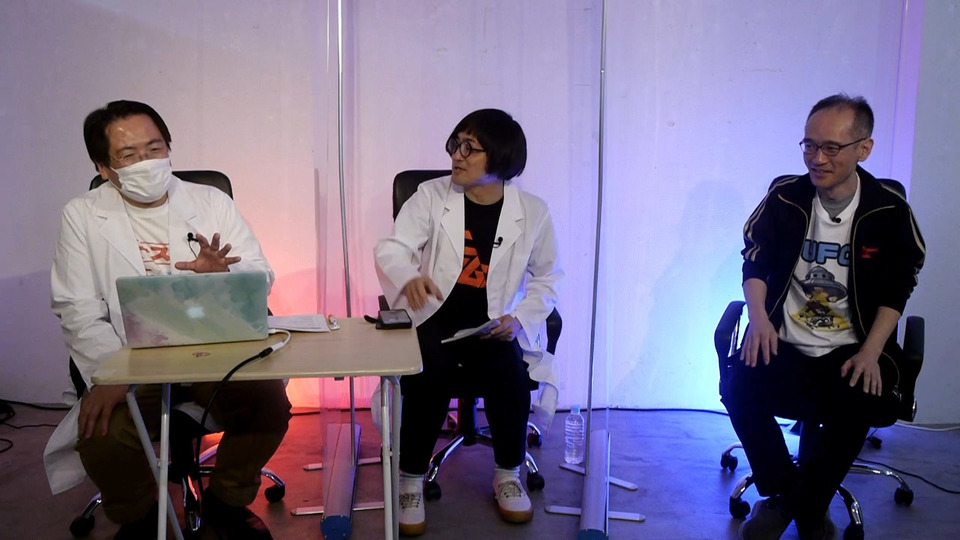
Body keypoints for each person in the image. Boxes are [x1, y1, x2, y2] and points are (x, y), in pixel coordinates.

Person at [43, 100, 291, 539]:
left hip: (211, 350)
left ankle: (227, 503)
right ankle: (140, 517)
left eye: (155, 148)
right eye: (129, 155)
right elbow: (77, 307)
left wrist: (223, 278)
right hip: (132, 357)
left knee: (267, 405)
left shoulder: (210, 202)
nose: (147, 162)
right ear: (103, 167)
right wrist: (113, 373)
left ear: (169, 148)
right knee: (101, 432)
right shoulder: (81, 215)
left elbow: (260, 276)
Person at [722, 94, 925, 540]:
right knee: (740, 387)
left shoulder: (888, 209)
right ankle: (795, 497)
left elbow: (899, 283)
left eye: (831, 147)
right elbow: (755, 260)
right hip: (785, 339)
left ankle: (795, 505)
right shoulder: (785, 198)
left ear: (863, 149)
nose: (817, 158)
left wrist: (873, 351)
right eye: (809, 145)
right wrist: (759, 319)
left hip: (853, 347)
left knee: (862, 398)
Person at [374, 108, 562, 535]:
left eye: (469, 148)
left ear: (500, 158)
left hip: (492, 325)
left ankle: (508, 475)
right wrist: (409, 276)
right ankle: (410, 480)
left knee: (510, 374)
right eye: (454, 144)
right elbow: (393, 248)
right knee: (428, 373)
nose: (456, 155)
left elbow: (549, 277)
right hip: (435, 318)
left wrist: (520, 319)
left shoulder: (533, 212)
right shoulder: (430, 195)